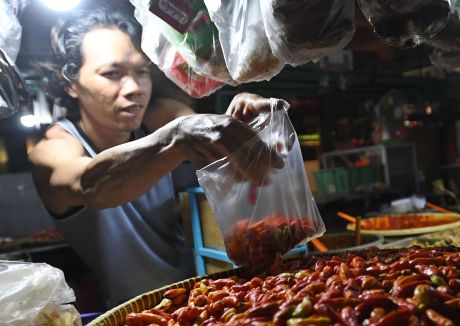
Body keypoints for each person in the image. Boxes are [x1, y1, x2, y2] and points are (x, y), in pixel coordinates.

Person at [29, 5, 281, 308]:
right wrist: (178, 138)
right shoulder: (53, 149)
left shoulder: (157, 117)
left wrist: (242, 119)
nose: (134, 88)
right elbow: (89, 184)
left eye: (141, 73)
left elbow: (212, 143)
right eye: (112, 74)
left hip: (205, 296)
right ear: (70, 83)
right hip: (133, 318)